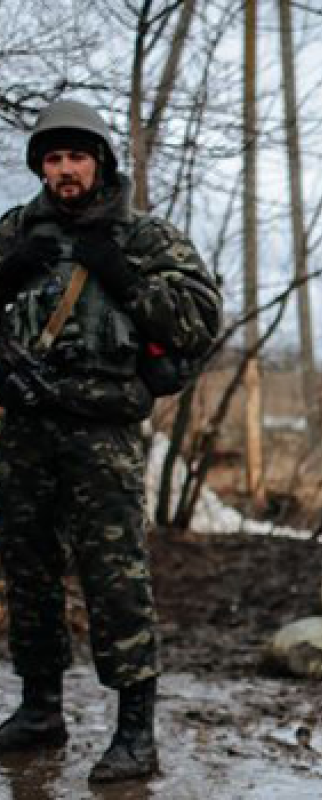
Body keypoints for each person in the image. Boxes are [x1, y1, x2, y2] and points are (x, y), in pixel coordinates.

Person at [0, 99, 222, 782]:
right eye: (54, 158)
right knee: (28, 573)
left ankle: (135, 733)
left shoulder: (146, 237)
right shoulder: (15, 232)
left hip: (103, 434)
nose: (65, 170)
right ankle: (41, 709)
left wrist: (123, 275)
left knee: (115, 580)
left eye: (77, 156)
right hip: (24, 431)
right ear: (42, 166)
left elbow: (197, 322)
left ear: (100, 162)